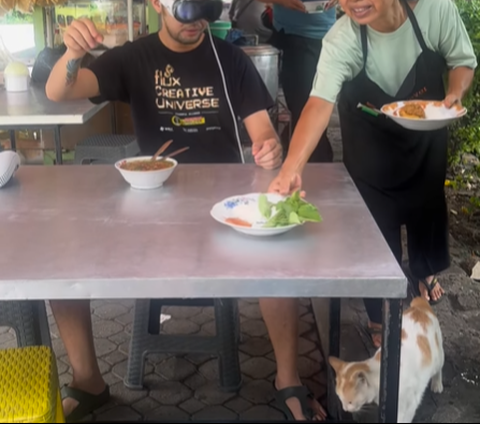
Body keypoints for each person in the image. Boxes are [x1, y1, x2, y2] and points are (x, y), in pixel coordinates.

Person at [45, 1, 326, 422]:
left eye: (202, 9)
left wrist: (269, 149)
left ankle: (288, 378)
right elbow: (59, 91)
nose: (195, 21)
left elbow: (261, 131)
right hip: (148, 206)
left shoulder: (230, 59)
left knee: (278, 250)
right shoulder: (134, 57)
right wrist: (72, 54)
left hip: (224, 206)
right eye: (184, 8)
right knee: (61, 256)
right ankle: (88, 380)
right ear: (158, 4)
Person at [268, 0, 477, 349]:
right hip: (370, 142)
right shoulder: (343, 38)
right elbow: (318, 104)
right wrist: (290, 169)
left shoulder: (436, 9)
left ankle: (423, 272)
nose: (353, 3)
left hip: (426, 136)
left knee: (426, 204)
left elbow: (462, 60)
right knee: (375, 228)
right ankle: (380, 316)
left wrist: (454, 94)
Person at [258, 0, 337, 162]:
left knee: (326, 110)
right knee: (306, 112)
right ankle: (312, 171)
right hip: (295, 38)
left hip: (333, 35)